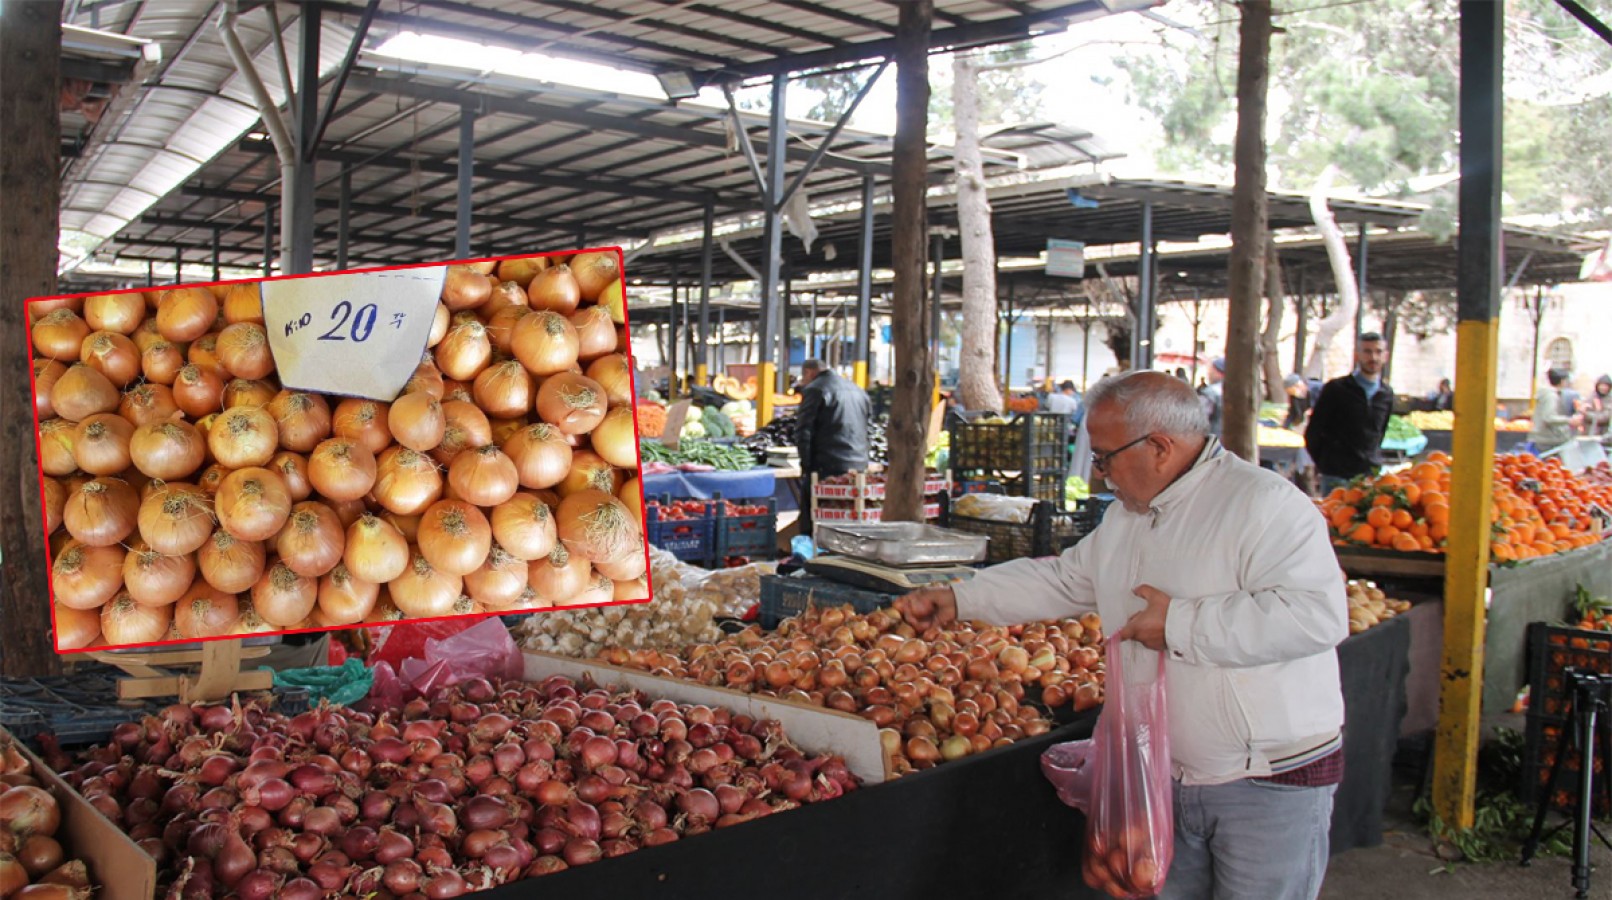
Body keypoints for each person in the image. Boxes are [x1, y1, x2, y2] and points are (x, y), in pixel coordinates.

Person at [894, 372, 1347, 900]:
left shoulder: (1264, 504)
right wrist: (960, 598)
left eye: (1104, 456)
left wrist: (1179, 625)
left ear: (1158, 446)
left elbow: (1316, 616)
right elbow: (1066, 578)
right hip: (1165, 775)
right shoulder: (1128, 519)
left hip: (1267, 782)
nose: (1097, 470)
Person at [1304, 333, 1393, 494]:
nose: (1373, 357)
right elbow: (1313, 432)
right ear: (1357, 355)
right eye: (1367, 351)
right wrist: (1327, 465)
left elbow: (1380, 433)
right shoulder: (1336, 389)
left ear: (1386, 356)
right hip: (1337, 477)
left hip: (1369, 476)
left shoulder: (1386, 394)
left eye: (1378, 352)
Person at [794, 359, 872, 539]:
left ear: (809, 372)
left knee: (815, 515)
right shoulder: (857, 389)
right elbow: (868, 426)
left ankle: (813, 556)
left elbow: (803, 431)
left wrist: (806, 465)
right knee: (848, 514)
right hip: (858, 462)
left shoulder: (815, 389)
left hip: (826, 463)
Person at [1529, 368, 1579, 452]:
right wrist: (1569, 420)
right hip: (1547, 439)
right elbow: (1548, 417)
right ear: (1562, 381)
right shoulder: (1550, 396)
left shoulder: (1549, 394)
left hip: (1543, 437)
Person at [1197, 358, 1225, 436]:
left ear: (1219, 372)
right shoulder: (1236, 391)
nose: (1208, 373)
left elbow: (1198, 417)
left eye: (1211, 370)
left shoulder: (1210, 393)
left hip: (1214, 439)